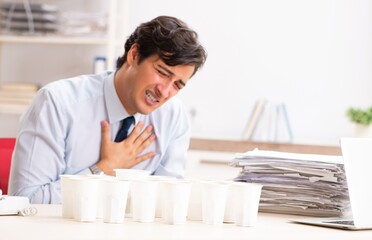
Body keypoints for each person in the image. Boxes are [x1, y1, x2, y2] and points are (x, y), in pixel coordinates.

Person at [8, 16, 207, 204]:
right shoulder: (57, 103)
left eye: (178, 85)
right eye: (162, 73)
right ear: (134, 55)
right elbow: (27, 200)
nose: (164, 92)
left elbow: (167, 201)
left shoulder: (173, 117)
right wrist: (103, 170)